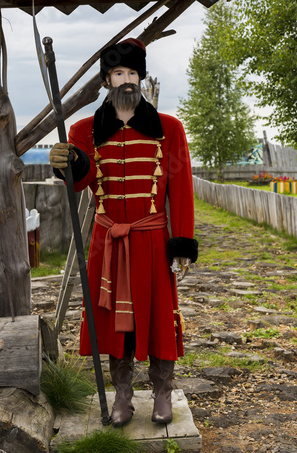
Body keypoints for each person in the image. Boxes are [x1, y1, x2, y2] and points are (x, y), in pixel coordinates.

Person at [49, 38, 198, 427]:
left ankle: (163, 392)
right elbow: (78, 182)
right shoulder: (85, 129)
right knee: (116, 320)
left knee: (160, 317)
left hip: (152, 240)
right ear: (107, 80)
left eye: (133, 73)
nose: (127, 80)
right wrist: (66, 162)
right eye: (119, 73)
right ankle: (123, 397)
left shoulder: (170, 129)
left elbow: (180, 190)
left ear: (140, 77)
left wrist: (181, 243)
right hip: (108, 241)